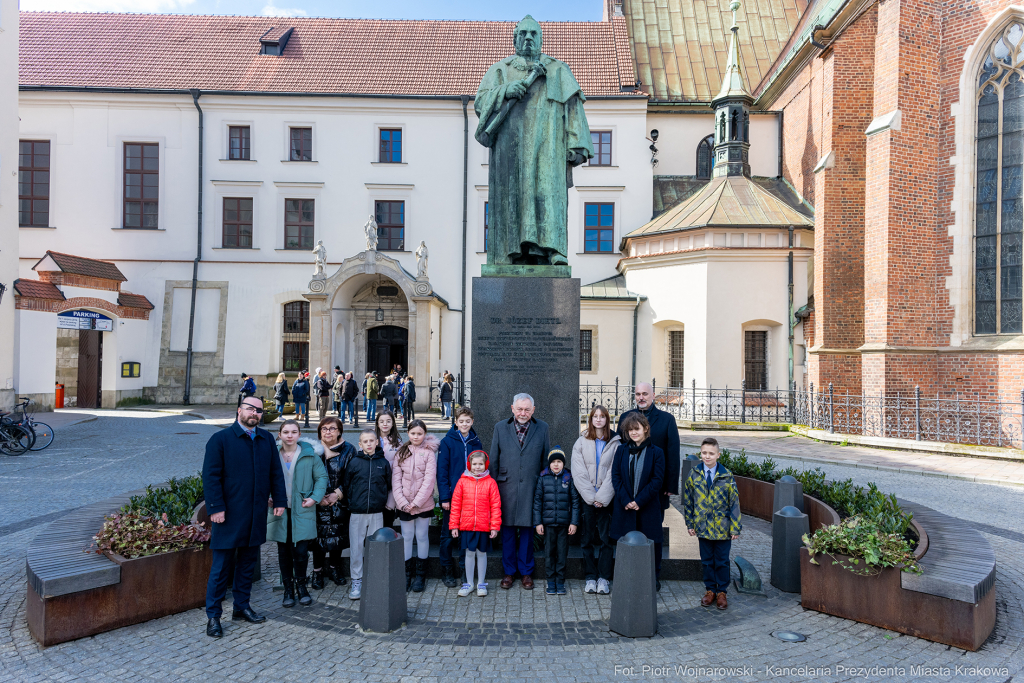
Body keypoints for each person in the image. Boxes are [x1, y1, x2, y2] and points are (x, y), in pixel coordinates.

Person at [202, 396, 287, 638]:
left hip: (255, 513)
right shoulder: (220, 440)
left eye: (259, 410)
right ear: (239, 410)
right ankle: (214, 616)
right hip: (228, 515)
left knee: (248, 564)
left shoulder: (266, 439)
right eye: (250, 408)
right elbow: (211, 477)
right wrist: (216, 508)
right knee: (221, 568)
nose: (255, 413)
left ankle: (241, 606)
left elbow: (275, 472)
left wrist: (279, 500)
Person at [617, 381, 680, 575]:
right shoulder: (625, 417)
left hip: (656, 488)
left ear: (653, 396)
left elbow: (673, 452)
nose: (641, 397)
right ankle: (631, 573)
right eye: (637, 394)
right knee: (628, 531)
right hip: (629, 487)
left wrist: (670, 484)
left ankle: (653, 573)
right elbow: (619, 450)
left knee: (653, 532)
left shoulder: (666, 419)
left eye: (645, 394)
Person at [489, 393, 550, 590]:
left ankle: (526, 572)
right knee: (506, 531)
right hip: (505, 486)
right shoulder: (500, 427)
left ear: (533, 410)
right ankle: (509, 572)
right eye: (519, 409)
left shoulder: (542, 428)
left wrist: (542, 484)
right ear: (512, 409)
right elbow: (494, 459)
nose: (523, 413)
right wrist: (493, 487)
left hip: (531, 486)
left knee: (527, 531)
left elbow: (544, 460)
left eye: (527, 409)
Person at [267, 419, 328, 608]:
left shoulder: (309, 455)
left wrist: (315, 498)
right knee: (283, 551)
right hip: (280, 509)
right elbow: (261, 477)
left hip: (303, 508)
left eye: (294, 432)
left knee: (301, 551)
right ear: (280, 434)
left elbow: (321, 477)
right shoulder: (272, 455)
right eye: (286, 432)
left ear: (299, 435)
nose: (290, 436)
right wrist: (266, 496)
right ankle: (288, 589)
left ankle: (302, 586)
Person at [683, 437, 742, 611]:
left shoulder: (726, 475)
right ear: (700, 454)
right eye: (704, 453)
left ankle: (722, 592)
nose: (707, 456)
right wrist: (690, 524)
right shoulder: (694, 474)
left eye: (711, 453)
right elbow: (688, 501)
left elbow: (735, 503)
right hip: (703, 527)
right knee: (707, 561)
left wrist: (735, 527)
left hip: (723, 528)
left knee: (722, 561)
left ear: (718, 454)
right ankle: (710, 590)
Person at [610, 412, 666, 589]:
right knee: (625, 542)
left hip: (647, 507)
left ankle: (653, 577)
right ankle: (626, 576)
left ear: (646, 429)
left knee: (651, 543)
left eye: (637, 429)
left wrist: (639, 501)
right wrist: (626, 499)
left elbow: (657, 480)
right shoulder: (621, 450)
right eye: (630, 430)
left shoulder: (656, 452)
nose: (633, 433)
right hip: (625, 507)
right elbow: (616, 476)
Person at [571, 404, 620, 595]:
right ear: (590, 419)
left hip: (607, 498)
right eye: (595, 416)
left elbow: (614, 472)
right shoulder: (581, 442)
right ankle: (590, 577)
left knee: (606, 539)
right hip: (588, 498)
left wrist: (603, 497)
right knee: (587, 538)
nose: (598, 419)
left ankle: (603, 578)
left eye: (602, 416)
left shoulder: (616, 442)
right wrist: (591, 497)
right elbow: (578, 470)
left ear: (607, 419)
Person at [341, 429, 392, 600]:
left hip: (377, 512)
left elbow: (388, 484)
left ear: (377, 442)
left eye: (372, 440)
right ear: (360, 444)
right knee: (356, 547)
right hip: (357, 512)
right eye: (365, 441)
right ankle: (357, 579)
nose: (369, 444)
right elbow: (347, 485)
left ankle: (373, 579)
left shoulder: (383, 463)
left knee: (375, 547)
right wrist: (352, 503)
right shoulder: (354, 463)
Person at [436, 406, 482, 587]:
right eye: (461, 421)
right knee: (447, 536)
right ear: (456, 422)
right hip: (453, 496)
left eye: (467, 421)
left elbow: (480, 468)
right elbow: (442, 471)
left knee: (466, 535)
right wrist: (445, 497)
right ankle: (446, 570)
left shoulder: (476, 442)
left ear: (472, 422)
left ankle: (465, 570)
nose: (464, 424)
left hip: (470, 496)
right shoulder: (447, 442)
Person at [392, 419, 439, 592]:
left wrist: (417, 502)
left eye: (420, 433)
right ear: (408, 434)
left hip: (423, 504)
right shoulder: (401, 452)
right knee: (406, 536)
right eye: (413, 433)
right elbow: (396, 479)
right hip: (404, 504)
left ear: (425, 434)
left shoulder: (429, 453)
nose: (416, 436)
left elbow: (429, 480)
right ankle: (406, 574)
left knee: (421, 536)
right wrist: (403, 502)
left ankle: (420, 575)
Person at [450, 450, 501, 597]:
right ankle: (469, 584)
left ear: (485, 465)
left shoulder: (491, 483)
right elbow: (456, 505)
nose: (477, 467)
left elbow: (495, 506)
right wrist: (454, 525)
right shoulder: (462, 481)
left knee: (482, 554)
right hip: (467, 526)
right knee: (469, 554)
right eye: (474, 464)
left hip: (484, 526)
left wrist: (494, 526)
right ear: (469, 464)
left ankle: (481, 584)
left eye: (480, 464)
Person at [311, 416, 354, 590]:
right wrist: (317, 496)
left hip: (339, 501)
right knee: (317, 540)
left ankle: (335, 569)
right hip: (317, 502)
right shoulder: (312, 450)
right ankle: (317, 571)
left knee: (338, 538)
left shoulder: (349, 450)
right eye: (324, 429)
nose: (328, 432)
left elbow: (352, 476)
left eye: (332, 428)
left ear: (339, 431)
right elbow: (306, 476)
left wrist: (338, 494)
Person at [533, 448, 579, 595]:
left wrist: (574, 522)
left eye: (559, 462)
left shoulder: (568, 478)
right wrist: (538, 522)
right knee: (549, 553)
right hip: (548, 524)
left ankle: (560, 581)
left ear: (563, 464)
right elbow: (537, 502)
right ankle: (550, 581)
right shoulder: (543, 478)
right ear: (549, 464)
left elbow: (575, 502)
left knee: (562, 553)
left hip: (564, 525)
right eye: (553, 462)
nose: (556, 465)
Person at [375, 410, 402, 531]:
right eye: (381, 421)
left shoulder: (398, 444)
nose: (385, 424)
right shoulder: (371, 440)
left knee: (387, 521)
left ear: (393, 424)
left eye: (388, 421)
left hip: (391, 486)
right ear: (377, 424)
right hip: (374, 486)